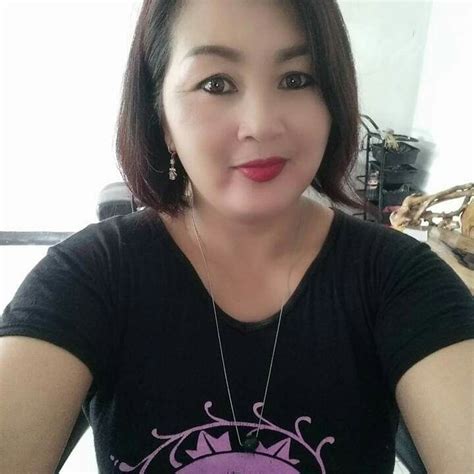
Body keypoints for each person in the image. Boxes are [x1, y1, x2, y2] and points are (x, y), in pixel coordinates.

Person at [1, 1, 473, 473]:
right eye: (216, 84)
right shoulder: (90, 275)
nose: (261, 124)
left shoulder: (401, 280)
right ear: (161, 115)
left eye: (296, 79)